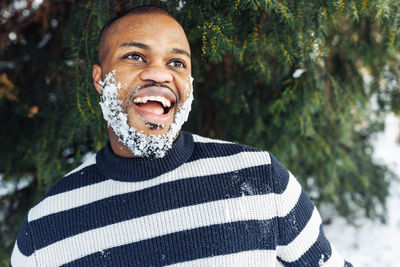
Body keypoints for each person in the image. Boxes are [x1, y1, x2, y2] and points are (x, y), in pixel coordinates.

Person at [11, 5, 352, 267]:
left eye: (177, 63)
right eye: (134, 56)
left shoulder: (260, 179)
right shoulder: (44, 231)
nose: (160, 73)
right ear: (100, 79)